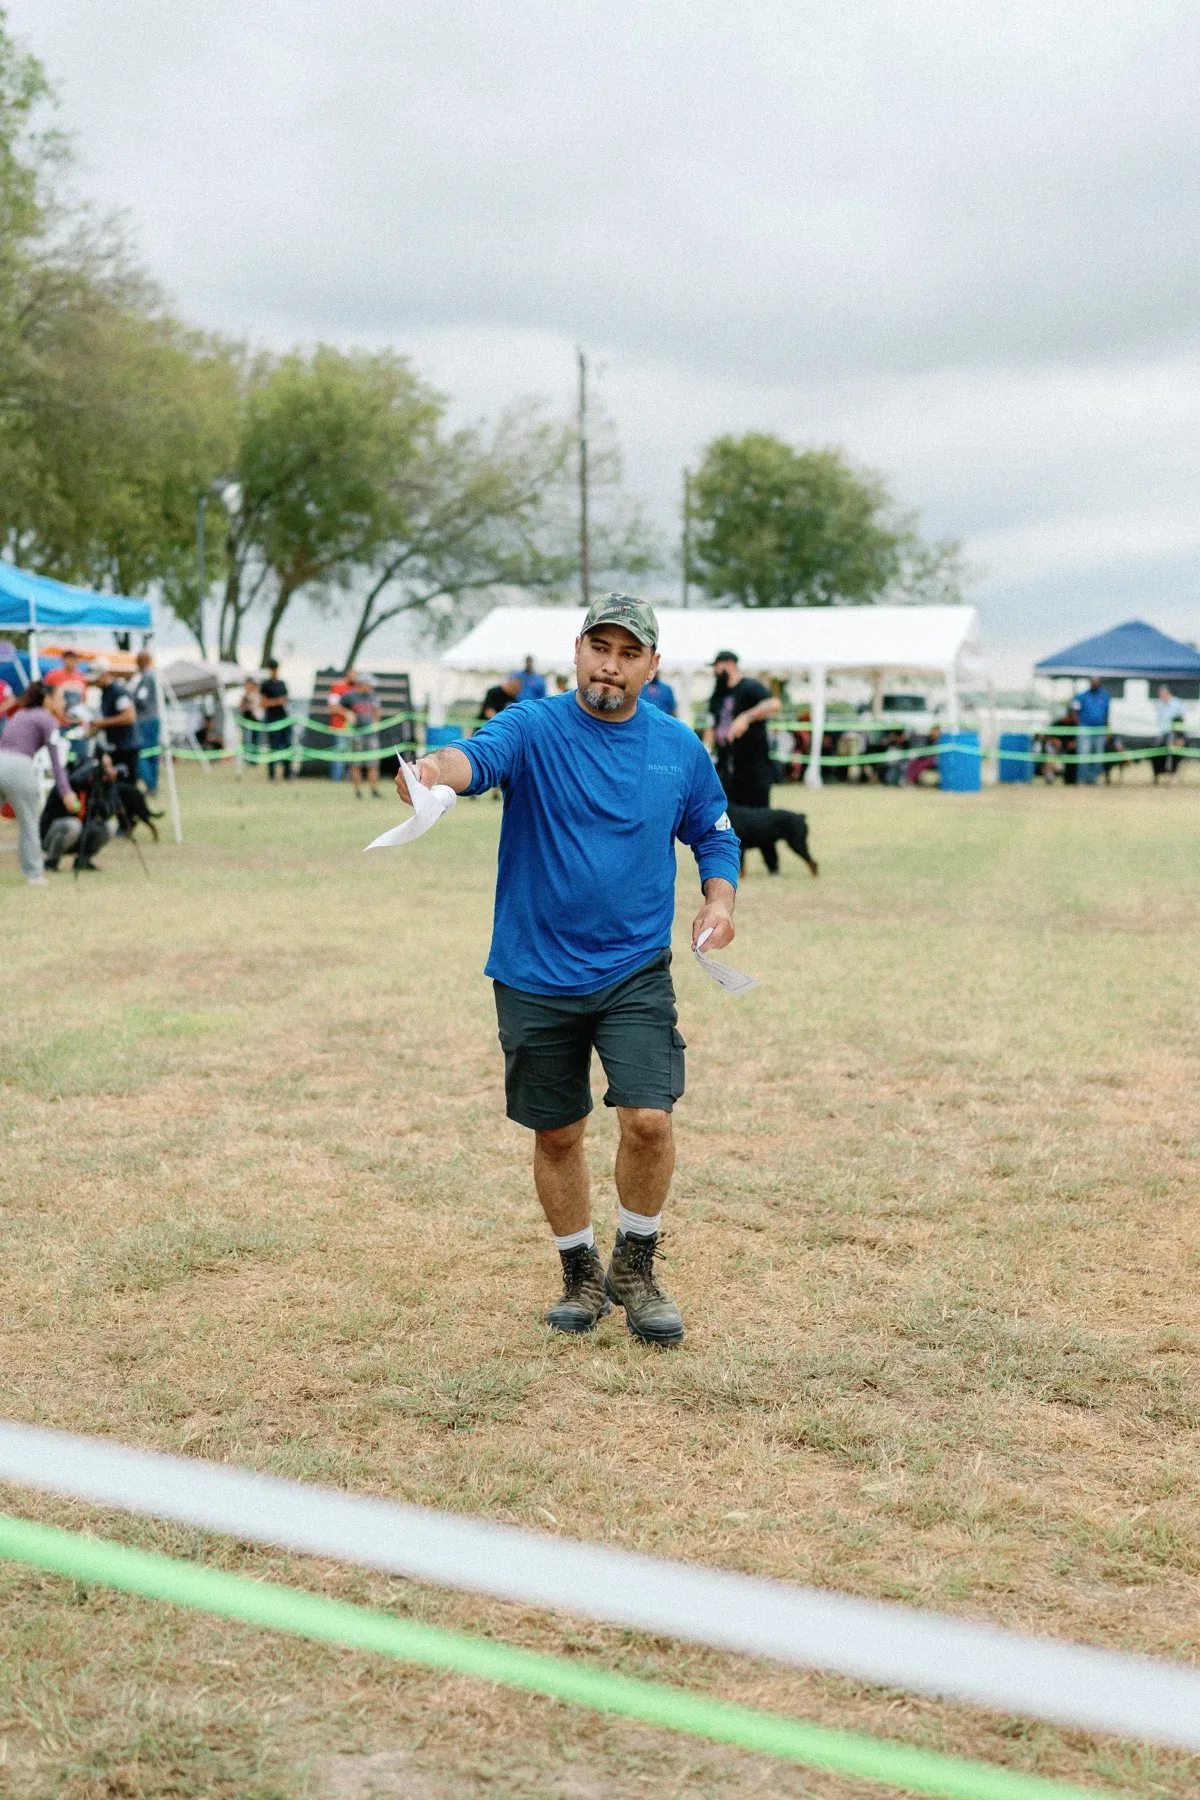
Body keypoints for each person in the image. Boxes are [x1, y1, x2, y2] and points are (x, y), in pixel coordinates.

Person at [395, 593, 741, 1347]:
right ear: (576, 650)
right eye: (599, 649)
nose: (608, 667)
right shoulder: (533, 726)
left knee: (648, 1119)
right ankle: (579, 1272)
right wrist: (429, 772)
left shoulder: (677, 746)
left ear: (652, 665)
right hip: (533, 969)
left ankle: (637, 1265)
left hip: (634, 969)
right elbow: (473, 758)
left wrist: (720, 899)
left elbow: (714, 832)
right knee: (557, 1134)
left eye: (627, 654)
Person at [0, 681, 79, 884]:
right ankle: (34, 874)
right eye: (60, 698)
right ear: (48, 699)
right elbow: (56, 763)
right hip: (20, 766)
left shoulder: (20, 714)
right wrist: (66, 791)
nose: (63, 703)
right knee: (29, 823)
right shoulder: (46, 719)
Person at [706, 650, 781, 807]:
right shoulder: (718, 694)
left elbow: (774, 704)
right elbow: (711, 724)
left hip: (753, 766)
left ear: (730, 664)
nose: (715, 671)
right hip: (726, 766)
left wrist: (747, 717)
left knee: (757, 817)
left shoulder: (750, 687)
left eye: (718, 666)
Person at [86, 662, 140, 785]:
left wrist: (102, 723)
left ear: (105, 675)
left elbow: (129, 716)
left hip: (126, 748)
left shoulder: (118, 691)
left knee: (127, 788)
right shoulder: (105, 693)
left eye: (97, 679)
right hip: (115, 747)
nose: (94, 683)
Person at [346, 671, 383, 799]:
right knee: (356, 764)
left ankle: (374, 790)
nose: (372, 687)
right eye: (370, 685)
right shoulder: (349, 696)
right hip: (356, 735)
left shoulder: (373, 696)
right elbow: (335, 707)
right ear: (363, 684)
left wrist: (376, 722)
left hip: (371, 735)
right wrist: (347, 713)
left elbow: (377, 709)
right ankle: (357, 792)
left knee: (373, 763)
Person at [130, 651, 161, 793]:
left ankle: (150, 785)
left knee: (142, 754)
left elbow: (141, 699)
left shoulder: (146, 678)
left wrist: (132, 698)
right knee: (153, 753)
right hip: (154, 719)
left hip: (145, 721)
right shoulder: (154, 676)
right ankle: (153, 784)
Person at [259, 658, 295, 781]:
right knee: (273, 747)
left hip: (284, 719)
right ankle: (272, 774)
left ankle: (287, 773)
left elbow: (285, 700)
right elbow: (263, 703)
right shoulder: (265, 685)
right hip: (272, 719)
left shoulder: (282, 684)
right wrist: (276, 702)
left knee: (287, 745)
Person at [1074, 678, 1109, 785]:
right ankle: (1083, 779)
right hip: (1085, 728)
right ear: (1090, 683)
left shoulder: (1105, 696)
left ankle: (1094, 779)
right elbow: (1075, 711)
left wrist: (1107, 729)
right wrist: (1078, 725)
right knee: (1084, 754)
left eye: (1096, 682)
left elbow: (1107, 713)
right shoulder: (1081, 696)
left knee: (1098, 755)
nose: (1094, 683)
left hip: (1100, 729)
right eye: (1093, 682)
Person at [45, 648, 89, 720]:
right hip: (58, 718)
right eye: (69, 658)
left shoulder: (81, 677)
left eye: (74, 658)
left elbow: (83, 698)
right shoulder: (53, 675)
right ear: (64, 659)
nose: (72, 661)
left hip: (75, 718)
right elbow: (46, 696)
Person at [327, 670, 354, 781]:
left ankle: (347, 778)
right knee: (338, 754)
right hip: (339, 727)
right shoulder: (338, 687)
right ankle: (336, 779)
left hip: (351, 728)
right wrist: (347, 714)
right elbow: (333, 707)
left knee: (350, 755)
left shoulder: (355, 688)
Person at [237, 677, 262, 763]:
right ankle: (246, 758)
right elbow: (240, 707)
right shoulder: (244, 696)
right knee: (246, 739)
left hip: (255, 719)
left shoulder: (256, 694)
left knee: (255, 739)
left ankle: (254, 759)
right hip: (246, 720)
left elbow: (258, 707)